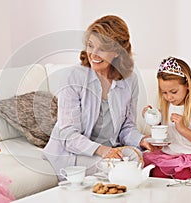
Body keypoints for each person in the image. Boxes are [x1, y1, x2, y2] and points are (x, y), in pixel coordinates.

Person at [43, 15, 154, 180]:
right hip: (73, 153)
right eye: (90, 45)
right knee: (118, 169)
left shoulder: (130, 80)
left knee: (137, 157)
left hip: (108, 151)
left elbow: (126, 128)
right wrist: (104, 151)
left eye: (101, 49)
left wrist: (142, 139)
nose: (93, 54)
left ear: (117, 52)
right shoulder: (73, 77)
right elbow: (68, 135)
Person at [143, 56, 191, 180]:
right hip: (167, 155)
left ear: (187, 85)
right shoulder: (165, 105)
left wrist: (182, 128)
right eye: (164, 92)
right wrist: (150, 116)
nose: (169, 97)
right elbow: (162, 131)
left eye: (174, 92)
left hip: (189, 157)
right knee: (155, 176)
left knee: (183, 178)